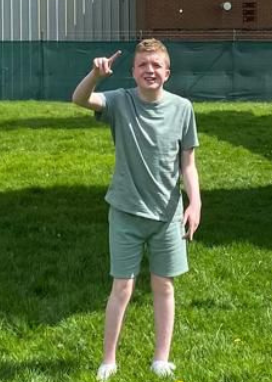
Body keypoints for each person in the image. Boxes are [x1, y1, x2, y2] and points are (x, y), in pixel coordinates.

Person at [71, 38, 201, 380]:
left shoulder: (182, 108)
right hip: (126, 212)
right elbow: (80, 99)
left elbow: (187, 163)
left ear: (167, 72)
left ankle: (161, 359)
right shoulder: (120, 101)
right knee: (122, 288)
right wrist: (96, 75)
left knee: (164, 286)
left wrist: (195, 203)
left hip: (167, 215)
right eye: (143, 65)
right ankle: (108, 360)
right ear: (133, 72)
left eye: (156, 65)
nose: (150, 71)